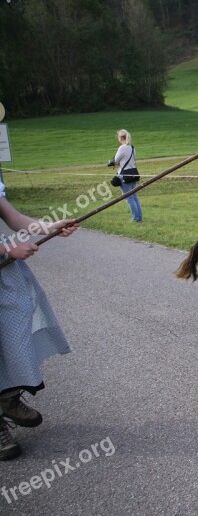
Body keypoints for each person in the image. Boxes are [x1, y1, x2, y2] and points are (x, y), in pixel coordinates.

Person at [0, 182, 79, 461]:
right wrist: (6, 250)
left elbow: (15, 218)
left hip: (4, 276)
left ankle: (7, 396)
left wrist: (51, 228)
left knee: (15, 335)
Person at [108, 129, 142, 222]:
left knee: (129, 198)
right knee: (134, 196)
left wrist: (111, 163)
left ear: (120, 138)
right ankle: (139, 217)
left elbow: (116, 160)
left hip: (124, 175)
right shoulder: (132, 147)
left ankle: (136, 218)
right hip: (133, 173)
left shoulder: (122, 148)